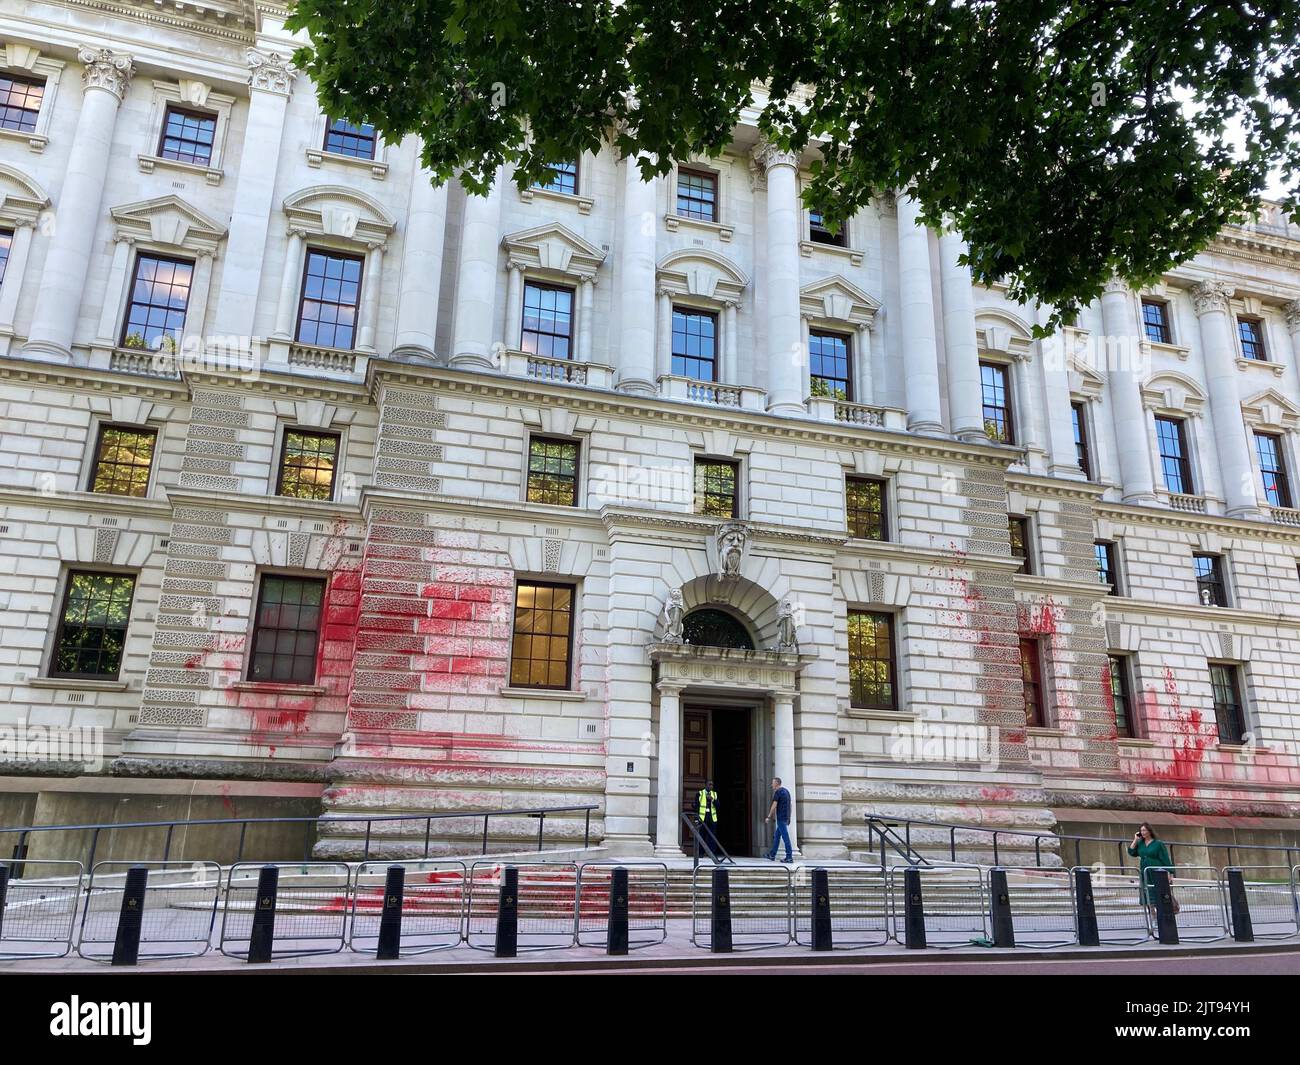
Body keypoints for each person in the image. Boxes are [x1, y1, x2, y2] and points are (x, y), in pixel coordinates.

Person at [1127, 822, 1176, 917]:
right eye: (1141, 830)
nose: (1143, 832)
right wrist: (1135, 840)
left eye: (1144, 830)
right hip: (1145, 871)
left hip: (1156, 871)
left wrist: (1170, 873)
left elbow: (1165, 858)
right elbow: (1131, 852)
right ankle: (1152, 915)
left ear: (1149, 831)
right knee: (1147, 892)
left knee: (1158, 892)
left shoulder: (1158, 844)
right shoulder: (1140, 843)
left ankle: (1162, 914)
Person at [765, 776, 793, 862]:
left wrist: (769, 816)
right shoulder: (787, 792)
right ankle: (772, 854)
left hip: (781, 818)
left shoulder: (778, 792)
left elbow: (774, 805)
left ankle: (789, 857)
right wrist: (789, 817)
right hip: (785, 817)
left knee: (785, 837)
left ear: (777, 783)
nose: (771, 785)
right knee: (777, 836)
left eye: (772, 783)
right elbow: (790, 805)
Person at [696, 780, 721, 857]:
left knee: (712, 836)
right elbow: (697, 807)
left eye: (712, 785)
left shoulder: (714, 794)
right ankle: (701, 853)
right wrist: (696, 819)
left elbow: (718, 806)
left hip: (712, 818)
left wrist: (712, 799)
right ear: (705, 785)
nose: (711, 786)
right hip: (703, 818)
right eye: (709, 784)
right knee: (702, 835)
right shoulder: (700, 793)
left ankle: (712, 853)